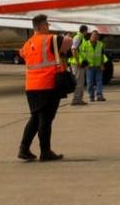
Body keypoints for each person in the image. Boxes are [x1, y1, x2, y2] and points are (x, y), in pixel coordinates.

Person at [18, 14, 65, 162]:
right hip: (47, 84)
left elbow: (22, 54)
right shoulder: (50, 39)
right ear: (40, 26)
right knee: (45, 120)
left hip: (31, 86)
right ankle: (45, 151)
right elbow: (68, 41)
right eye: (46, 25)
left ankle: (24, 149)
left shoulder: (28, 43)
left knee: (35, 119)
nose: (48, 27)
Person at [80, 31, 106, 102]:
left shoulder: (100, 44)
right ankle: (91, 96)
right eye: (93, 36)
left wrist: (102, 64)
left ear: (98, 37)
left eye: (96, 36)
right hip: (89, 67)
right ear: (90, 36)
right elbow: (82, 56)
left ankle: (99, 95)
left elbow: (102, 55)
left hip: (98, 66)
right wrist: (85, 65)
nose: (95, 37)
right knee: (90, 82)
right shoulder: (85, 44)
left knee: (99, 81)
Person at [69, 25, 89, 106]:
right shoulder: (78, 37)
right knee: (78, 82)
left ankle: (79, 99)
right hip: (77, 64)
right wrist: (77, 62)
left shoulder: (81, 38)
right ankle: (76, 99)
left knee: (81, 82)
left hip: (81, 64)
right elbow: (73, 49)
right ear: (85, 31)